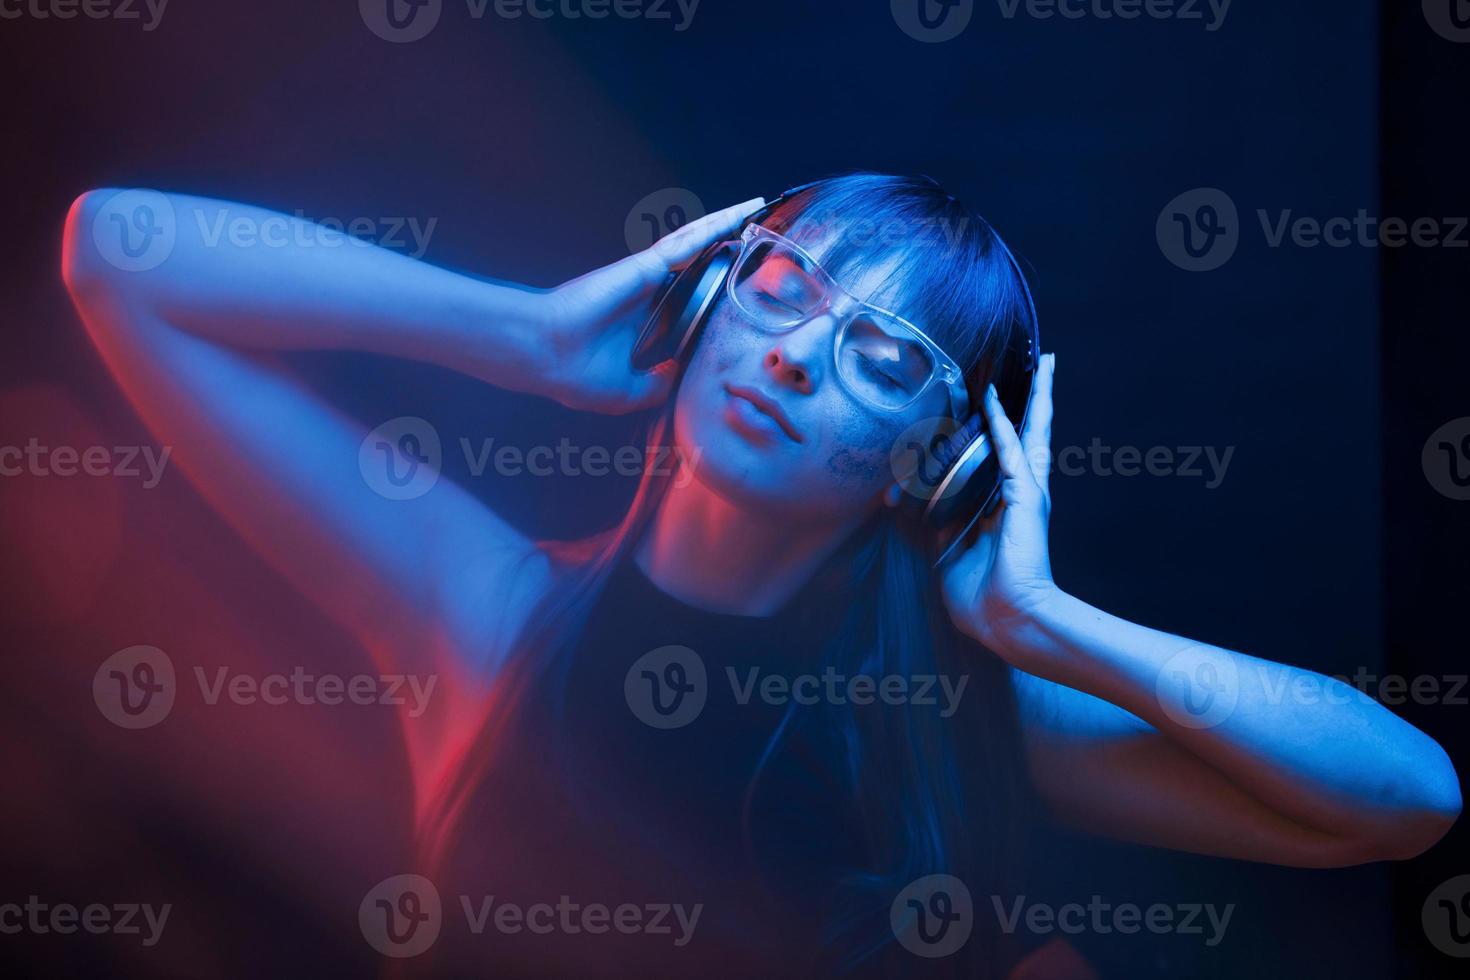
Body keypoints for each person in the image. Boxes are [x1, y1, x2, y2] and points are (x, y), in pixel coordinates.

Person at [61, 173, 1461, 977]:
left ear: (936, 457)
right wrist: (529, 339)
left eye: (884, 356)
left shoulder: (968, 711)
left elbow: (1403, 802)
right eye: (784, 287)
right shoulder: (476, 608)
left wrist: (1045, 625)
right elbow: (118, 253)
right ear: (702, 300)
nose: (795, 353)